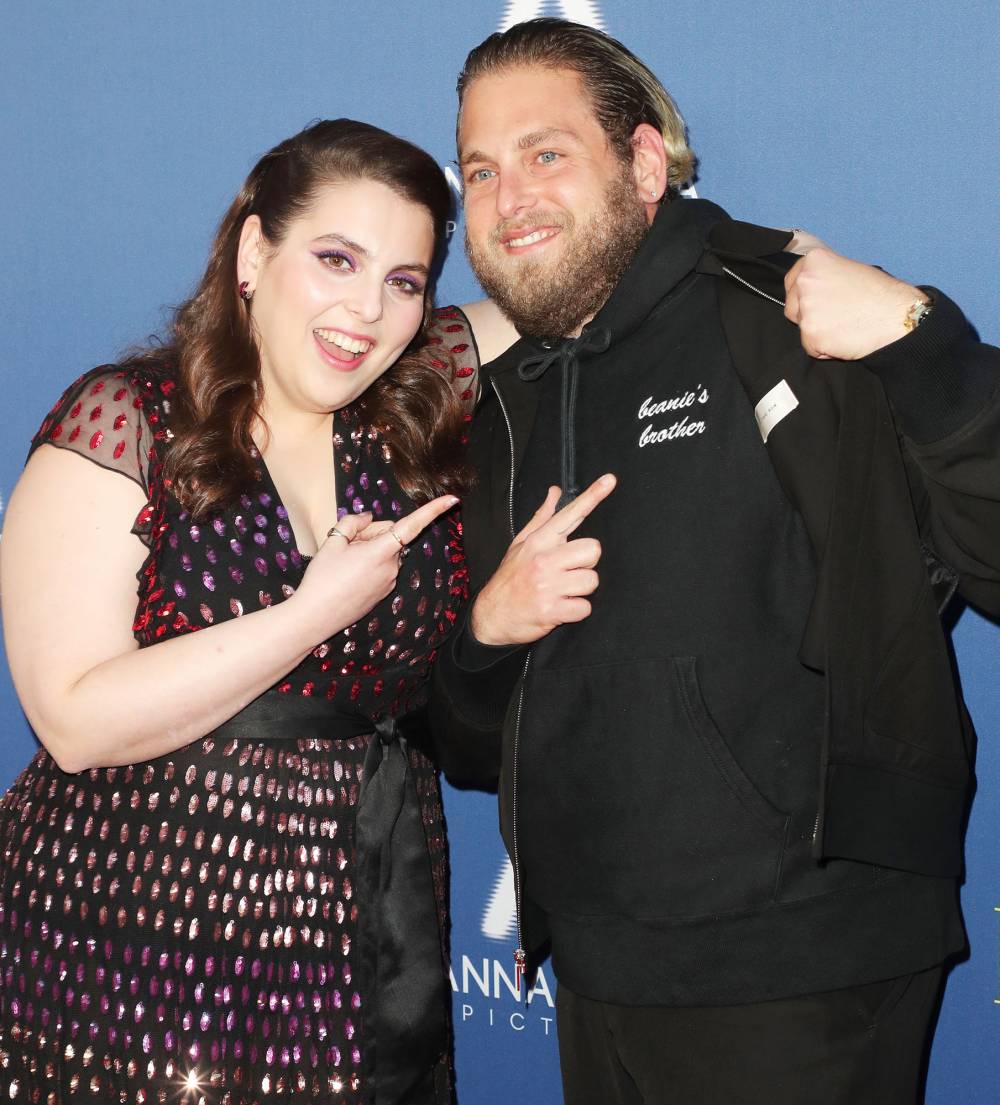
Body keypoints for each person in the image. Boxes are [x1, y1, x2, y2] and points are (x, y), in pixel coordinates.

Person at [430, 18, 1000, 1105]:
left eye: (546, 154)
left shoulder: (790, 307)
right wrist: (482, 642)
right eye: (481, 170)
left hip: (808, 964)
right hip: (596, 971)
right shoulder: (507, 399)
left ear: (644, 163)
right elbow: (466, 745)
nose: (509, 200)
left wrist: (921, 340)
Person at [0, 119, 481, 1104]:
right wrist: (309, 615)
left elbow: (570, 285)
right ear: (254, 250)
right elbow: (74, 720)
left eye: (404, 279)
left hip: (355, 932)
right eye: (336, 258)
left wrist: (804, 274)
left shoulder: (404, 405)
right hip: (126, 952)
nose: (368, 309)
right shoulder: (127, 418)